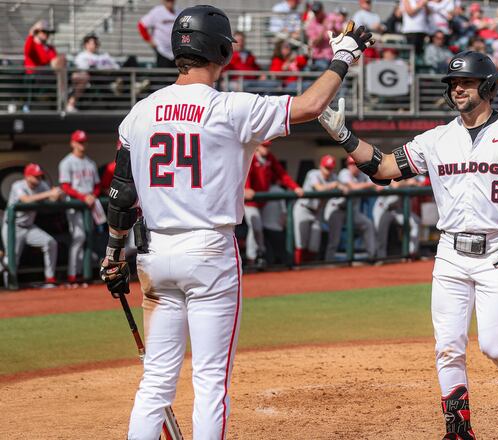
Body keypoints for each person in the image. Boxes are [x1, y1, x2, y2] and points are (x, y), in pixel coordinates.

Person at [98, 6, 373, 438]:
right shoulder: (229, 107)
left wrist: (114, 253)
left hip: (153, 255)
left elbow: (121, 195)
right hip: (209, 252)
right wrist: (345, 55)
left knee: (155, 383)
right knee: (210, 383)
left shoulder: (140, 112)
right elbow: (312, 105)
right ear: (222, 49)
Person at [318, 50, 498, 440]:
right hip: (450, 254)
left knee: (495, 346)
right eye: (453, 83)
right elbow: (385, 167)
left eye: (466, 82)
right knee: (448, 347)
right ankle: (458, 429)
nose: (457, 88)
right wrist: (345, 136)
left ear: (488, 86)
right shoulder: (437, 138)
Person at [244, 141, 303, 268]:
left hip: (263, 202)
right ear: (258, 146)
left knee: (255, 230)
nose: (266, 149)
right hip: (250, 202)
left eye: (268, 146)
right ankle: (257, 254)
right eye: (264, 146)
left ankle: (255, 257)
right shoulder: (251, 157)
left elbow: (282, 174)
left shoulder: (269, 158)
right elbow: (245, 174)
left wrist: (295, 187)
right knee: (256, 228)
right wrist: (247, 188)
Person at [3, 163, 62, 287]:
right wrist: (49, 194)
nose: (39, 179)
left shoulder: (42, 185)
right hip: (12, 227)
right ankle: (9, 286)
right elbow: (26, 199)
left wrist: (57, 195)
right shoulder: (18, 185)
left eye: (40, 176)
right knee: (12, 259)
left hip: (29, 227)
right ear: (27, 177)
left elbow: (52, 198)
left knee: (50, 242)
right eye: (36, 176)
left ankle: (50, 279)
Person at [59, 130, 101, 287]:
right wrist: (84, 197)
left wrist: (93, 196)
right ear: (72, 143)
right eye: (79, 141)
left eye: (83, 141)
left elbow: (97, 185)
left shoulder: (90, 163)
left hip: (89, 205)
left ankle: (83, 275)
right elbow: (65, 186)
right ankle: (72, 275)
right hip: (74, 206)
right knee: (79, 238)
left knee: (88, 238)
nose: (81, 144)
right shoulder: (67, 162)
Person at [292, 155, 347, 264]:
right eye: (326, 168)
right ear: (321, 166)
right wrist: (334, 185)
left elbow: (344, 188)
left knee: (314, 245)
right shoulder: (313, 173)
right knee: (301, 243)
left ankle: (309, 269)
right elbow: (319, 188)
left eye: (330, 168)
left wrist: (341, 186)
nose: (328, 171)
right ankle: (298, 268)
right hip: (303, 209)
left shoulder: (333, 177)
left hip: (317, 212)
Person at [328, 156, 377, 260]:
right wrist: (368, 185)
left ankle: (371, 257)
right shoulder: (344, 173)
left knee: (367, 224)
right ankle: (329, 261)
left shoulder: (362, 175)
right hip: (337, 210)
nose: (354, 167)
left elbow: (376, 184)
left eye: (356, 164)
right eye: (351, 164)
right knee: (334, 240)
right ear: (348, 165)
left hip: (352, 211)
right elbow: (353, 187)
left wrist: (370, 184)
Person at [138, 0, 179, 68]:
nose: (170, 2)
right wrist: (149, 40)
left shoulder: (178, 11)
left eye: (172, 0)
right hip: (162, 50)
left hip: (176, 51)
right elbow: (141, 25)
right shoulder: (157, 12)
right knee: (163, 74)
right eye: (168, 1)